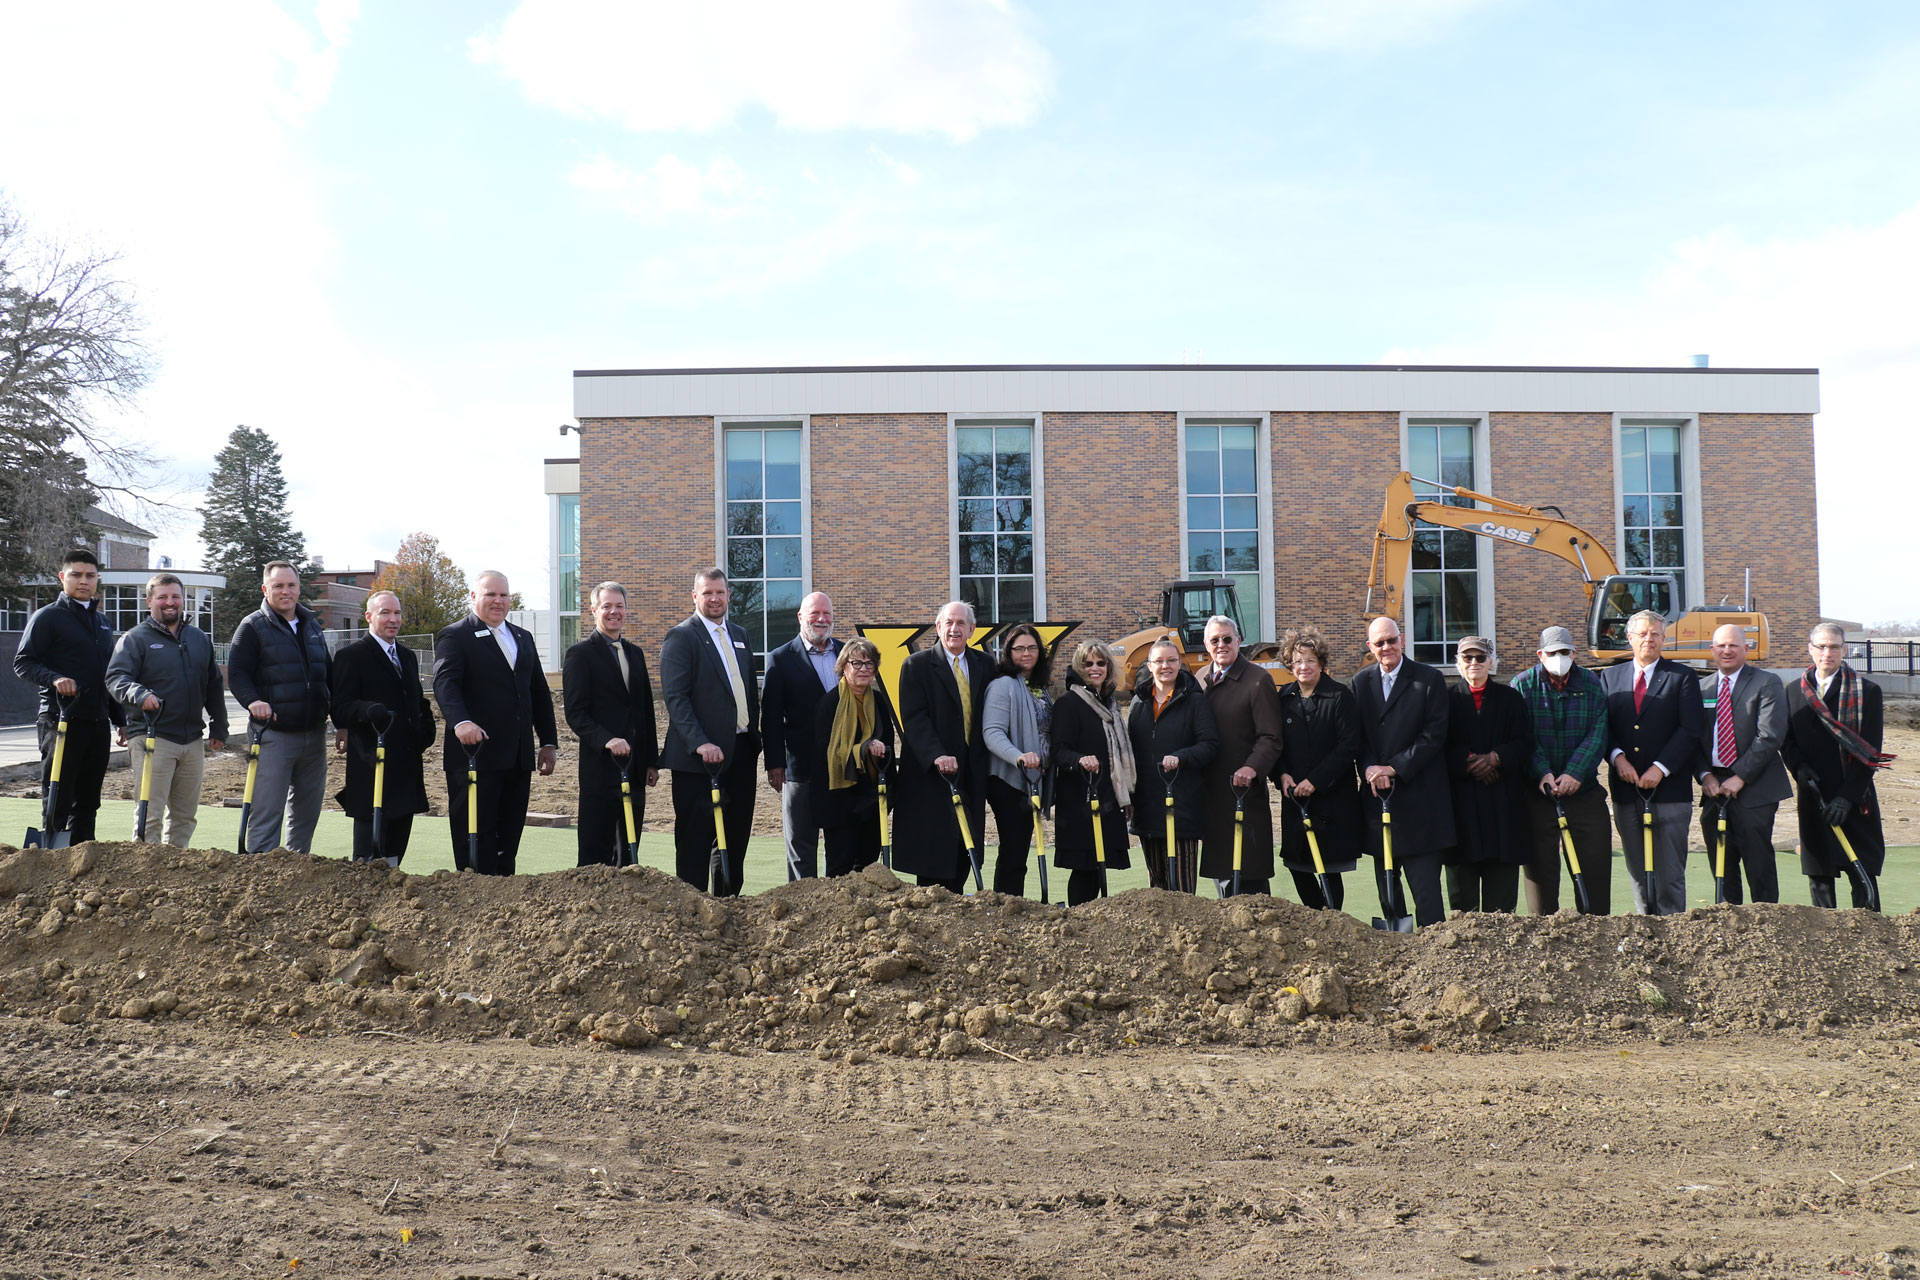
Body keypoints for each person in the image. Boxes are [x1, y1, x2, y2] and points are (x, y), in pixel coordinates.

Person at [433, 570, 558, 875]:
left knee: (510, 831)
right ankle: (473, 893)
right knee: (475, 832)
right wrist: (460, 721)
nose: (498, 601)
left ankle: (504, 895)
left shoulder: (522, 637)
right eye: (490, 594)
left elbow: (539, 692)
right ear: (474, 597)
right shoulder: (456, 635)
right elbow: (445, 683)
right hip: (475, 754)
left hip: (517, 755)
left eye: (503, 595)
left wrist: (548, 742)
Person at [659, 567, 761, 894]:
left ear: (729, 595)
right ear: (695, 596)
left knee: (734, 839)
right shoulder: (681, 637)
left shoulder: (741, 635)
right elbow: (676, 698)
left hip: (741, 753)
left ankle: (728, 904)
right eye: (707, 593)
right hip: (698, 760)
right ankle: (692, 912)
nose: (715, 599)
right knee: (695, 841)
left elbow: (746, 692)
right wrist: (700, 742)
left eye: (720, 592)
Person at [105, 572, 224, 846]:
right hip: (152, 736)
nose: (170, 602)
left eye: (175, 597)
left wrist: (220, 726)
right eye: (162, 597)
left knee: (185, 815)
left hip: (192, 739)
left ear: (183, 601)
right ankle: (146, 872)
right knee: (150, 814)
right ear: (150, 601)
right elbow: (116, 678)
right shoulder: (135, 639)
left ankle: (176, 870)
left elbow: (214, 686)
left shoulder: (198, 639)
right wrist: (139, 693)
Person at [1782, 623, 1893, 909]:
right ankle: (1825, 940)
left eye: (1834, 647)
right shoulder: (1794, 691)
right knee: (1820, 874)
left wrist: (1847, 797)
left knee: (1861, 870)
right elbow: (1787, 740)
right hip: (1813, 792)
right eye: (1821, 646)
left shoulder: (1867, 691)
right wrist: (1799, 767)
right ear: (1810, 649)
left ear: (1844, 650)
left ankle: (1871, 936)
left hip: (1854, 795)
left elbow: (1870, 751)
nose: (1827, 652)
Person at [15, 549, 123, 845]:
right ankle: (51, 857)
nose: (83, 581)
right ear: (63, 577)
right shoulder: (48, 617)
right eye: (76, 575)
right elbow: (23, 662)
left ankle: (83, 857)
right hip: (60, 719)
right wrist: (54, 679)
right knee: (58, 795)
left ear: (97, 579)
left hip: (97, 721)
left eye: (90, 575)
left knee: (89, 801)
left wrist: (119, 719)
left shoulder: (102, 623)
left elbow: (107, 674)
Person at [1600, 609, 1703, 916]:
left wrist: (1660, 767)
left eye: (1655, 634)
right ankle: (1646, 930)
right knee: (1638, 872)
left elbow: (1691, 729)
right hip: (1627, 790)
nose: (1649, 639)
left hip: (1670, 792)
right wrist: (1617, 758)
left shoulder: (1682, 677)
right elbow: (1601, 728)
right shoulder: (1609, 677)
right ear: (1629, 638)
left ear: (1664, 639)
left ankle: (1674, 933)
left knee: (1670, 874)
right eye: (1642, 634)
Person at [1351, 617, 1453, 926]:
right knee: (1388, 894)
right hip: (1379, 800)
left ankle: (1434, 958)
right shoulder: (1360, 683)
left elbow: (1434, 735)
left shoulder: (1429, 679)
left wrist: (1393, 767)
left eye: (1391, 640)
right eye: (1379, 643)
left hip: (1420, 803)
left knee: (1426, 896)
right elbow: (1358, 738)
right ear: (1370, 647)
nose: (1386, 647)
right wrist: (1370, 768)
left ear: (1403, 639)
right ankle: (1397, 951)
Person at [227, 561, 331, 853]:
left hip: (314, 735)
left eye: (291, 585)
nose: (286, 592)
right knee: (267, 808)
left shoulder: (312, 625)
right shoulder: (252, 627)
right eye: (278, 586)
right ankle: (260, 870)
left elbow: (327, 672)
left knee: (307, 811)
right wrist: (253, 701)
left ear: (299, 588)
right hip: (274, 734)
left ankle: (295, 871)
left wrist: (342, 720)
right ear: (265, 589)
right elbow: (237, 674)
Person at [1510, 626, 1612, 915]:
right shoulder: (1523, 685)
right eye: (1552, 653)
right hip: (1538, 792)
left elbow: (1598, 733)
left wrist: (1574, 773)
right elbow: (1523, 735)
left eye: (1565, 652)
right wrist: (1542, 772)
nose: (1559, 657)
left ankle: (1596, 935)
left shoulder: (1592, 684)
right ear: (1540, 654)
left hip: (1584, 791)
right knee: (1540, 882)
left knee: (1594, 877)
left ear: (1574, 653)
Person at [894, 601, 994, 893]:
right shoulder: (917, 665)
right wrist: (936, 754)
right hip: (933, 775)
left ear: (972, 630)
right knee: (934, 854)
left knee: (967, 848)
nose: (954, 628)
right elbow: (914, 718)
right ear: (938, 628)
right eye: (948, 622)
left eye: (961, 623)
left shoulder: (985, 665)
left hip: (972, 771)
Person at [330, 590, 434, 865]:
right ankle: (363, 895)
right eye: (385, 613)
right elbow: (340, 706)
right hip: (371, 763)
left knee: (396, 846)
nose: (393, 619)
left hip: (406, 764)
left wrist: (425, 727)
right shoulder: (351, 657)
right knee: (369, 848)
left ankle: (393, 887)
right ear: (369, 617)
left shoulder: (407, 657)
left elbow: (415, 699)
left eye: (397, 613)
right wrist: (367, 710)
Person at [561, 581, 659, 868]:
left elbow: (645, 712)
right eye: (607, 606)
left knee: (628, 850)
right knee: (596, 853)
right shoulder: (580, 655)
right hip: (600, 769)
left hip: (635, 768)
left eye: (619, 606)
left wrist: (651, 761)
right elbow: (576, 713)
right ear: (594, 610)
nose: (614, 612)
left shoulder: (635, 654)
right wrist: (607, 740)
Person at [1695, 622, 1791, 904]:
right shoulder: (1701, 688)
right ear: (1711, 650)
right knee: (1721, 864)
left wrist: (1740, 776)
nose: (1727, 651)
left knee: (1757, 860)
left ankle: (1766, 922)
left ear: (1746, 649)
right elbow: (1692, 738)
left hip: (1755, 786)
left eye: (1733, 645)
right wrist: (1704, 776)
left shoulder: (1766, 682)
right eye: (1721, 645)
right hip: (1714, 788)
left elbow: (1770, 736)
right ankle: (1728, 924)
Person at [1441, 636, 1533, 914]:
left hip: (1502, 808)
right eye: (1467, 658)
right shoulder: (1446, 700)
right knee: (1462, 906)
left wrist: (1496, 758)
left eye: (1480, 658)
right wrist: (1469, 761)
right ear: (1457, 663)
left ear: (1491, 662)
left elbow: (1525, 743)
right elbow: (1437, 744)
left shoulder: (1511, 699)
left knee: (1502, 908)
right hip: (1462, 810)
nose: (1474, 663)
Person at [1274, 626, 1363, 911]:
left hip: (1332, 800)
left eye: (1310, 660)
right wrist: (1281, 775)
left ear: (1321, 663)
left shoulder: (1339, 696)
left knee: (1328, 866)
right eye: (1298, 660)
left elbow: (1349, 746)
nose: (1304, 666)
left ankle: (1333, 919)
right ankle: (1314, 915)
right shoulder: (1284, 698)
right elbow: (1275, 744)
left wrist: (1316, 780)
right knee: (1297, 864)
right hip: (1295, 798)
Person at [1196, 615, 1284, 897]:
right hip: (1210, 793)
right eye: (1215, 640)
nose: (1221, 645)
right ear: (1206, 645)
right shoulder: (1200, 679)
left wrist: (1252, 767)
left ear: (1239, 641)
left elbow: (1271, 736)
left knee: (1249, 876)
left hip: (1242, 792)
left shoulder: (1258, 681)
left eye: (1227, 639)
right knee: (1222, 872)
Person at [760, 592, 842, 880]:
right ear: (800, 618)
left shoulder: (847, 655)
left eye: (827, 614)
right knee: (801, 849)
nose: (822, 619)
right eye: (815, 613)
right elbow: (770, 717)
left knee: (840, 849)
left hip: (841, 770)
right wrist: (774, 763)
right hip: (800, 769)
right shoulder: (780, 659)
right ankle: (800, 915)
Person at [1127, 638, 1218, 895]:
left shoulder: (1194, 701)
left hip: (1182, 804)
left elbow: (1209, 744)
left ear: (1180, 663)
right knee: (1157, 887)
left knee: (1181, 889)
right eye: (1159, 661)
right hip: (1147, 805)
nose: (1165, 666)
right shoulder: (1138, 702)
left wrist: (1181, 757)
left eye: (1171, 660)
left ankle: (1186, 934)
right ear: (1149, 665)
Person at [1052, 642, 1135, 905]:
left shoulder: (1110, 704)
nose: (1095, 669)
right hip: (1080, 797)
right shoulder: (1069, 703)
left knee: (1100, 866)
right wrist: (1080, 760)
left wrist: (1128, 795)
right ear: (1079, 667)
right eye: (1088, 664)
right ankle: (1077, 919)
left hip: (1108, 794)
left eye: (1101, 663)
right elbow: (1059, 750)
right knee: (1084, 866)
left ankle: (1094, 922)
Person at [807, 638, 896, 876]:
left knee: (867, 866)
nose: (864, 669)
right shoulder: (829, 703)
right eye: (857, 663)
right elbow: (825, 752)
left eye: (870, 664)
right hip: (839, 799)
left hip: (870, 797)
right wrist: (864, 748)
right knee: (839, 867)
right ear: (844, 666)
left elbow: (888, 744)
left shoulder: (878, 701)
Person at [982, 623, 1053, 895]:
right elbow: (992, 732)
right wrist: (1019, 757)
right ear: (1008, 652)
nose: (1027, 653)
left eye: (1032, 648)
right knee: (1014, 848)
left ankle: (1014, 901)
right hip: (1009, 780)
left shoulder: (1038, 687)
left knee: (1021, 847)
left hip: (1034, 778)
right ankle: (1006, 903)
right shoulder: (1003, 686)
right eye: (1019, 648)